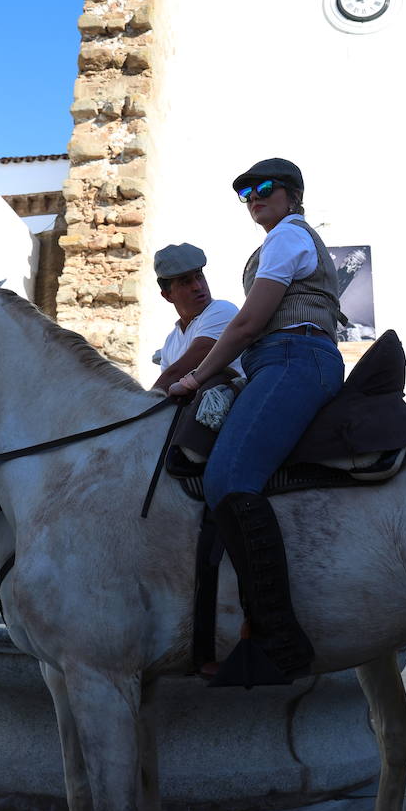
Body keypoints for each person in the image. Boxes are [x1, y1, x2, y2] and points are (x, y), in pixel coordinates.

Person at [169, 157, 345, 686]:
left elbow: (247, 324)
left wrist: (196, 377)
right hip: (277, 360)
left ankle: (277, 638)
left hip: (295, 357)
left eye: (265, 187)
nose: (254, 197)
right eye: (245, 192)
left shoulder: (288, 236)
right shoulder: (275, 242)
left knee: (227, 477)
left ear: (293, 194)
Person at [151, 243, 239, 394]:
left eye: (199, 276)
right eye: (185, 282)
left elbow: (178, 372)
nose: (197, 287)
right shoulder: (170, 342)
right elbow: (166, 391)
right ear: (167, 295)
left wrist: (142, 403)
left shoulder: (222, 310)